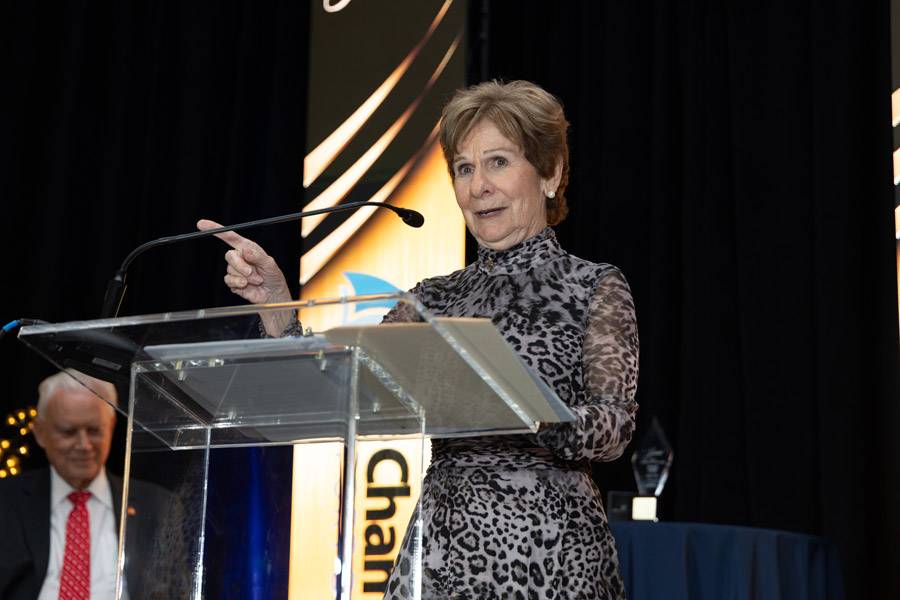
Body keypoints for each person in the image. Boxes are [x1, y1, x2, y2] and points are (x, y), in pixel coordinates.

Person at [198, 80, 639, 599]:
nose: (478, 186)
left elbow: (614, 429)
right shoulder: (433, 298)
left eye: (498, 162)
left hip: (551, 547)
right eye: (464, 169)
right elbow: (341, 387)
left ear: (551, 172)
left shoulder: (593, 285)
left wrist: (526, 406)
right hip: (442, 548)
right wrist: (277, 304)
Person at [0, 370, 175, 600]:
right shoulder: (6, 502)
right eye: (68, 432)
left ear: (111, 427)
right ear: (40, 433)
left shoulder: (158, 506)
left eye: (94, 430)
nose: (83, 445)